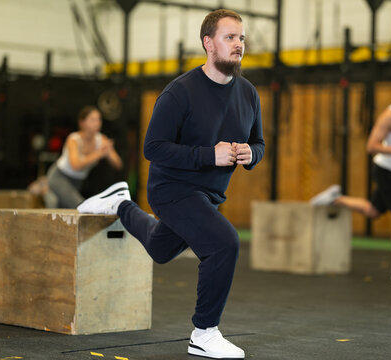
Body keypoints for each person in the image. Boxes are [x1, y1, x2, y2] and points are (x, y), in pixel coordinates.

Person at [77, 9, 264, 359]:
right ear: (208, 43)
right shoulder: (180, 92)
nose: (239, 44)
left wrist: (249, 155)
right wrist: (211, 156)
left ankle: (119, 204)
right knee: (224, 243)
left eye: (241, 38)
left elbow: (259, 143)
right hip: (171, 189)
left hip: (209, 195)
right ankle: (204, 333)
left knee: (160, 251)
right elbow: (153, 148)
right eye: (230, 37)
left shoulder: (249, 94)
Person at [311, 72, 391, 283]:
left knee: (373, 211)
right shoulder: (390, 115)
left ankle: (335, 198)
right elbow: (371, 146)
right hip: (384, 170)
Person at [45, 106, 123, 208]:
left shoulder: (101, 139)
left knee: (61, 209)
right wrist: (99, 154)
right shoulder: (74, 139)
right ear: (82, 123)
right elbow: (76, 165)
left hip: (77, 182)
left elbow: (118, 164)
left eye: (99, 119)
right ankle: (46, 191)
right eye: (92, 120)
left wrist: (108, 152)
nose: (97, 123)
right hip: (59, 177)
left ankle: (48, 195)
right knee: (81, 206)